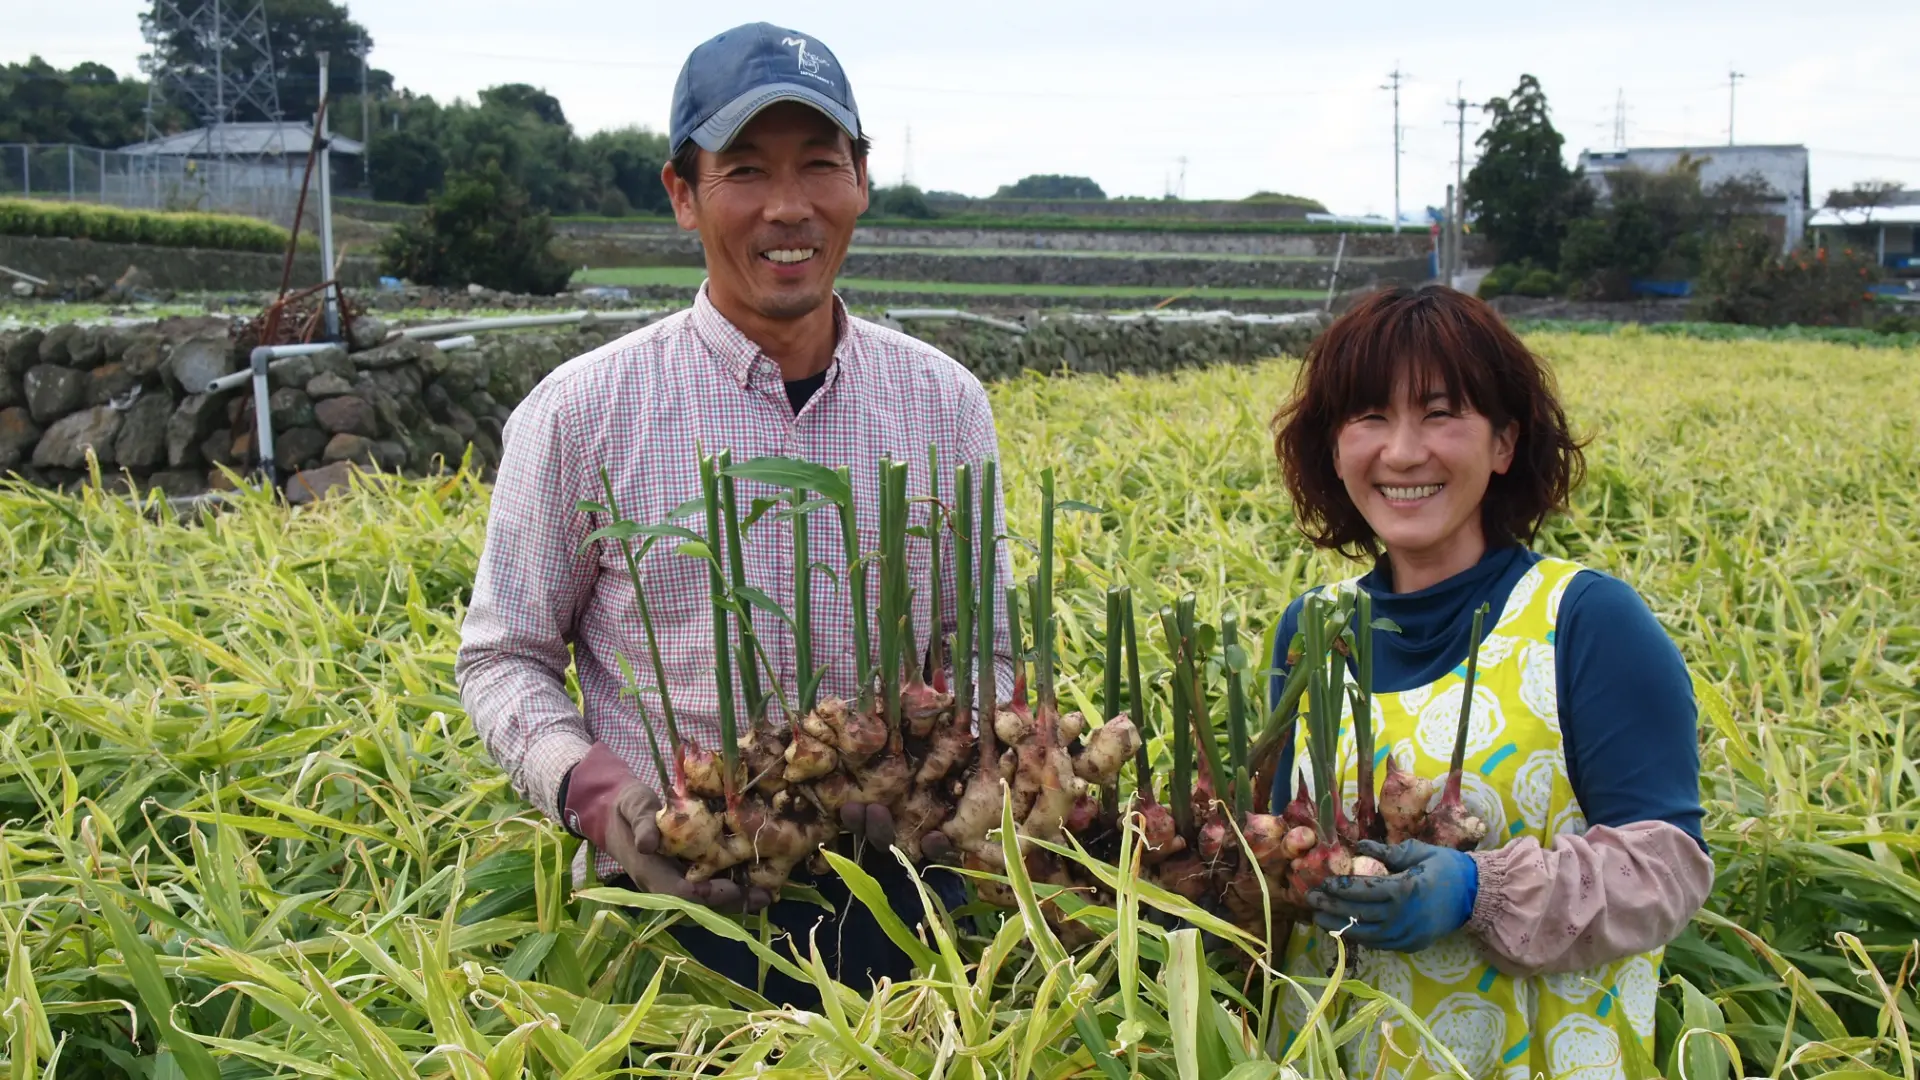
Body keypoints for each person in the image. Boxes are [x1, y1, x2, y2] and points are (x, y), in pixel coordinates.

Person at [455, 21, 1011, 1006]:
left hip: (911, 901)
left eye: (819, 166)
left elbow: (992, 647)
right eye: (745, 171)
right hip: (676, 896)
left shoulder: (945, 403)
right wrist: (596, 794)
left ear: (862, 178)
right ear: (682, 193)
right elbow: (502, 658)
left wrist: (957, 770)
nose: (788, 208)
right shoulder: (583, 412)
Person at [1263, 286, 1712, 1080]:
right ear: (1332, 447)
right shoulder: (1312, 629)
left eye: (1441, 414)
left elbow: (1667, 869)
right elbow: (1272, 847)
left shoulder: (1586, 621)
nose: (1403, 452)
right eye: (1369, 416)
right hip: (1332, 1053)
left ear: (1504, 442)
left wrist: (1481, 889)